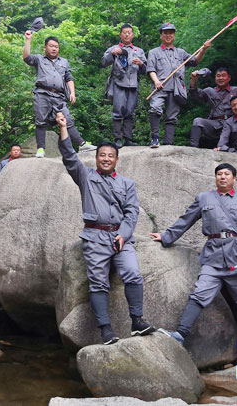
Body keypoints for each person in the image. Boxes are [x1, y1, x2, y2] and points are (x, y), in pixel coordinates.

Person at [55, 111, 155, 344]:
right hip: (95, 236)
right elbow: (69, 156)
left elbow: (131, 213)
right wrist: (63, 128)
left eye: (111, 155)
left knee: (132, 273)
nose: (106, 158)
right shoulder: (85, 176)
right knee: (99, 281)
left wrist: (122, 235)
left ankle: (137, 321)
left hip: (121, 237)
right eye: (102, 155)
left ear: (117, 160)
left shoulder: (127, 184)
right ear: (97, 158)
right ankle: (106, 329)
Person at [150, 163, 237, 366]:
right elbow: (186, 219)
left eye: (226, 174)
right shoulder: (204, 198)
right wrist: (166, 236)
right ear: (215, 178)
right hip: (213, 256)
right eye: (219, 174)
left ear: (234, 178)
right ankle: (180, 334)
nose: (222, 177)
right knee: (199, 294)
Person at [23, 30, 96, 158]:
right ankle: (40, 149)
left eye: (56, 46)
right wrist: (28, 40)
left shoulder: (64, 62)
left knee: (67, 119)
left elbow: (69, 78)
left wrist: (72, 93)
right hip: (42, 93)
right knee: (40, 121)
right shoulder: (40, 59)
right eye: (51, 46)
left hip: (59, 96)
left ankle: (82, 144)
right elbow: (26, 58)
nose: (54, 49)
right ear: (45, 47)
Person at [146, 22, 211, 148]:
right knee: (155, 108)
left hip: (176, 89)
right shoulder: (154, 52)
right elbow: (151, 69)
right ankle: (155, 138)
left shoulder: (181, 53)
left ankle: (168, 143)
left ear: (174, 36)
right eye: (166, 33)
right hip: (160, 86)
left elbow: (195, 61)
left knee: (172, 117)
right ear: (161, 36)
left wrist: (204, 49)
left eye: (171, 33)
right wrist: (156, 81)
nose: (168, 35)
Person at [102, 24, 147, 148]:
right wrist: (112, 54)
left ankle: (128, 138)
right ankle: (117, 139)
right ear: (120, 35)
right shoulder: (114, 48)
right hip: (118, 83)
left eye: (129, 32)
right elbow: (104, 62)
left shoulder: (139, 51)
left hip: (133, 84)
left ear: (133, 35)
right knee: (118, 111)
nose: (127, 34)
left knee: (129, 112)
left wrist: (141, 64)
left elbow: (147, 70)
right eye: (124, 32)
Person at [188, 68, 237, 148]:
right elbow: (195, 95)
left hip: (232, 123)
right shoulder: (209, 91)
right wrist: (193, 79)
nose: (221, 78)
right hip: (215, 124)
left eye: (223, 76)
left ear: (229, 78)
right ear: (215, 78)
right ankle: (193, 148)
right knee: (197, 121)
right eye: (218, 76)